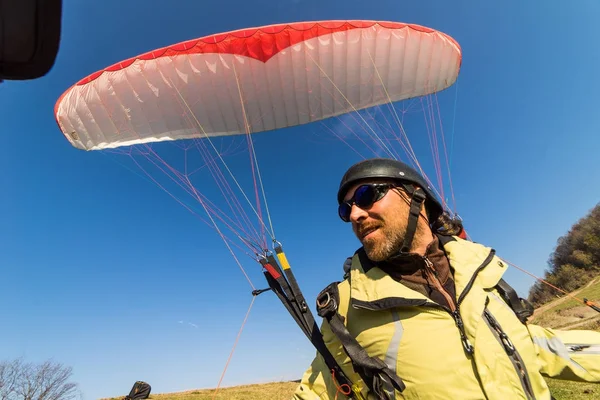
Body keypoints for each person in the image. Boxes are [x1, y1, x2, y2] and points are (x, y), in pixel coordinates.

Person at [293, 158, 600, 400]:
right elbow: (319, 390)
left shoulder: (481, 273)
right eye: (346, 210)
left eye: (366, 195)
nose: (356, 214)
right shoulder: (347, 307)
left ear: (417, 197)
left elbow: (532, 347)